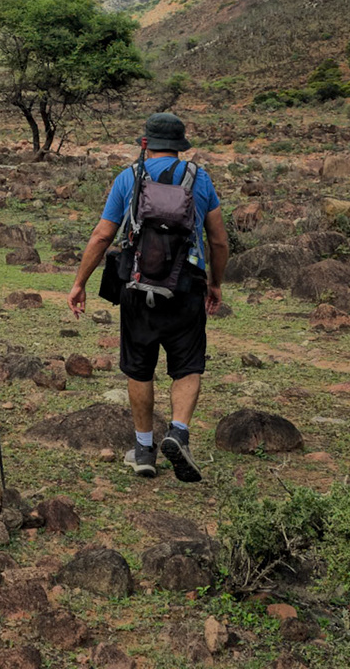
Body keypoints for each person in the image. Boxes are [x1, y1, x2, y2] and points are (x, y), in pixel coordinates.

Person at [68, 112, 229, 483]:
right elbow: (219, 240)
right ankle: (178, 432)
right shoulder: (200, 179)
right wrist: (215, 282)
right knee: (188, 365)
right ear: (179, 146)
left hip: (138, 287)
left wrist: (80, 283)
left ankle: (143, 450)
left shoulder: (129, 177)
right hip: (187, 286)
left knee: (139, 366)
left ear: (147, 143)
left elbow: (102, 236)